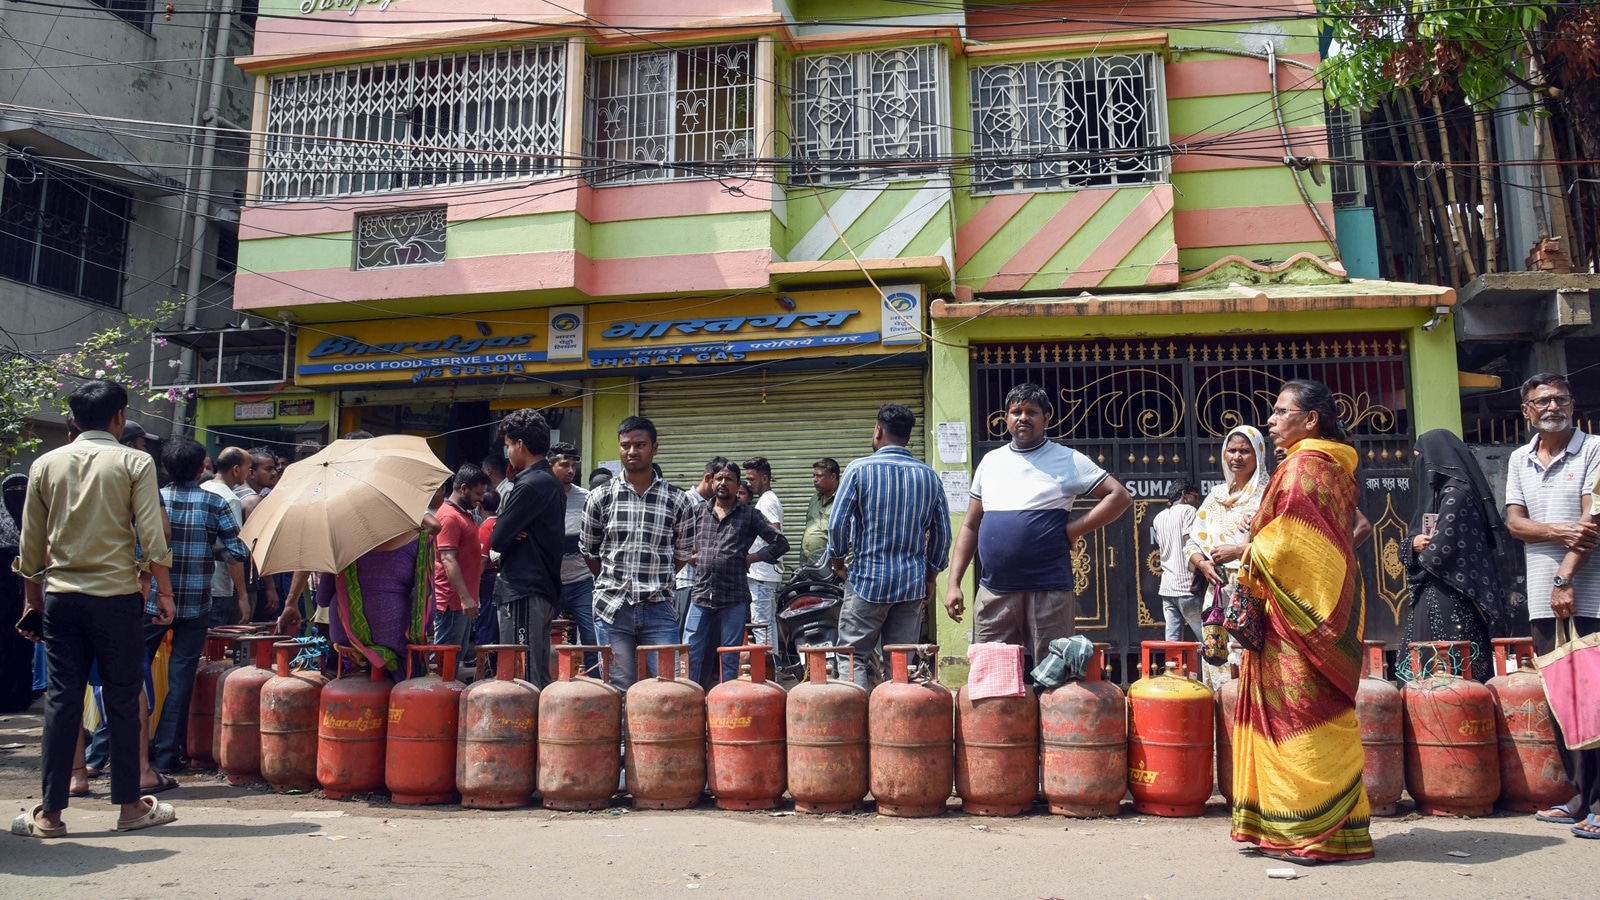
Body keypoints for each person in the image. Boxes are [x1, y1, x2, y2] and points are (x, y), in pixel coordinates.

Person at [12, 379, 178, 837]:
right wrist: (164, 593)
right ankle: (129, 807)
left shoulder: (45, 463)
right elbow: (152, 535)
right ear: (119, 417)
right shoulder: (134, 461)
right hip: (117, 597)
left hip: (61, 596)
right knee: (123, 697)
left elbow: (31, 543)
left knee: (62, 699)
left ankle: (50, 815)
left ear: (73, 420)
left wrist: (32, 600)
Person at [1230, 378, 1372, 863]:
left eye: (1280, 411)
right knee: (1320, 710)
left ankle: (1308, 835)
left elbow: (1288, 543)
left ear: (1310, 420)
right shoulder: (1334, 467)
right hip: (1328, 603)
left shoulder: (1302, 467)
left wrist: (1246, 551)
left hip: (1298, 615)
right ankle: (1319, 828)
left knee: (1298, 713)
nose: (1271, 420)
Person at [945, 384, 1131, 668]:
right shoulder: (990, 462)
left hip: (1049, 590)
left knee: (1054, 673)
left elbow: (1119, 496)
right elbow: (970, 525)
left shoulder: (1067, 459)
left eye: (1031, 412)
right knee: (992, 673)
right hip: (995, 591)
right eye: (1016, 412)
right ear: (1006, 418)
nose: (1023, 417)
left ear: (1047, 418)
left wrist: (1074, 529)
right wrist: (953, 584)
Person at [1506, 372, 1600, 836]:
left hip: (1587, 595)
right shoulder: (1519, 459)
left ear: (1572, 404)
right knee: (1565, 699)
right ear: (1527, 411)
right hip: (1545, 601)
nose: (1551, 407)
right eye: (1541, 401)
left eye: (1559, 399)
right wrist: (1556, 530)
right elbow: (1515, 524)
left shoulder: (1594, 449)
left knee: (1596, 699)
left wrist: (1565, 577)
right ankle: (1581, 796)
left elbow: (1592, 522)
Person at [144, 437, 248, 774]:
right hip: (195, 604)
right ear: (201, 467)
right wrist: (209, 549)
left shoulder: (151, 500)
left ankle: (112, 752)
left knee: (132, 676)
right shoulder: (214, 502)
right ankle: (166, 756)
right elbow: (238, 551)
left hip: (152, 602)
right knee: (180, 681)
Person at [829, 404, 950, 689]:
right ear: (907, 436)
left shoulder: (858, 470)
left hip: (866, 581)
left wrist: (837, 561)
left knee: (852, 656)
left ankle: (856, 715)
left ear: (878, 431)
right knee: (900, 663)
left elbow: (837, 525)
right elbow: (943, 534)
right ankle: (896, 718)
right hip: (911, 585)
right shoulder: (929, 476)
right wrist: (931, 577)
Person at [579, 416, 694, 690]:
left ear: (655, 448)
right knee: (618, 687)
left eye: (640, 445)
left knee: (668, 685)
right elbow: (588, 550)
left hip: (659, 607)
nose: (632, 451)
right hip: (612, 608)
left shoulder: (677, 500)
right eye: (625, 445)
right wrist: (613, 579)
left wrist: (656, 578)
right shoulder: (600, 497)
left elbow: (682, 553)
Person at [1398, 429, 1510, 683]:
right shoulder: (1441, 495)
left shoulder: (1457, 494)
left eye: (1419, 458)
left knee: (1452, 670)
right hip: (1439, 589)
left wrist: (1410, 552)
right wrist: (1411, 545)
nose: (1418, 466)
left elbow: (1439, 552)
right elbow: (1421, 542)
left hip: (1454, 592)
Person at [684, 460, 789, 689]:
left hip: (734, 597)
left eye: (729, 479)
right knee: (691, 652)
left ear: (738, 484)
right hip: (701, 594)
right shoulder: (698, 511)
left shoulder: (749, 515)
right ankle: (692, 700)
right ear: (712, 482)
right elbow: (680, 540)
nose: (723, 483)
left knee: (730, 658)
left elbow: (780, 543)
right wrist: (690, 557)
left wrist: (751, 558)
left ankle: (726, 702)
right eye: (719, 478)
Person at [490, 410, 565, 688]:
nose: (508, 452)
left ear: (520, 444)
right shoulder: (550, 481)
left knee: (522, 676)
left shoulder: (530, 484)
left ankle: (528, 718)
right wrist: (512, 531)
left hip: (523, 589)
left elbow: (497, 539)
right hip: (541, 589)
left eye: (508, 445)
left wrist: (510, 532)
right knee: (537, 672)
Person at [1186, 425, 1269, 591]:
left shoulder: (1268, 495)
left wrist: (1237, 552)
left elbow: (1279, 546)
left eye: (1245, 451)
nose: (1237, 457)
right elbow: (1193, 540)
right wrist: (1201, 564)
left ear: (1258, 455)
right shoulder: (1216, 496)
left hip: (1256, 589)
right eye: (1232, 450)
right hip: (1218, 591)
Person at [431, 463, 489, 654]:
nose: (481, 499)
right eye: (478, 494)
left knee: (455, 655)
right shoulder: (449, 517)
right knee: (445, 658)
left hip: (461, 602)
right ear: (463, 488)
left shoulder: (464, 515)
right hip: (452, 601)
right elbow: (448, 559)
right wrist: (465, 598)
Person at [548, 443, 599, 659]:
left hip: (582, 582)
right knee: (540, 637)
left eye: (573, 465)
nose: (570, 470)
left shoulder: (587, 497)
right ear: (550, 465)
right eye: (564, 465)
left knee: (591, 637)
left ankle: (595, 678)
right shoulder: (539, 496)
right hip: (549, 583)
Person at [673, 458, 723, 637]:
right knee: (685, 639)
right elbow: (675, 540)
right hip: (688, 582)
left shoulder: (716, 504)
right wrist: (697, 556)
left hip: (710, 586)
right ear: (709, 478)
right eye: (719, 480)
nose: (723, 486)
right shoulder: (686, 501)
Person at [204, 447, 254, 626]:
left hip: (201, 583)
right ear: (236, 469)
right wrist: (243, 596)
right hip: (220, 587)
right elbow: (235, 552)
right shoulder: (229, 499)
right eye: (248, 468)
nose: (249, 474)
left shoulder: (202, 489)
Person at [741, 458, 784, 647]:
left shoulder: (767, 501)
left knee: (760, 624)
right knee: (766, 624)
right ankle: (771, 662)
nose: (749, 484)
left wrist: (751, 558)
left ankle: (765, 663)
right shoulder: (766, 500)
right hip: (764, 574)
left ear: (764, 478)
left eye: (752, 479)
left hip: (762, 575)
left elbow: (775, 536)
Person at [1153, 481, 1201, 641]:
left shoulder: (1158, 518)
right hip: (1187, 587)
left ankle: (1171, 660)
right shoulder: (1188, 511)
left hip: (1167, 588)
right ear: (1184, 495)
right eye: (1194, 496)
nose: (1197, 501)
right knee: (1206, 637)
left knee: (1172, 642)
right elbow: (1189, 543)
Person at [1, 473, 33, 714]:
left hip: (30, 591)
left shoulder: (38, 516)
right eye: (13, 489)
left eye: (23, 487)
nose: (19, 492)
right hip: (4, 592)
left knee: (25, 643)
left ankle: (22, 696)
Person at [243, 447, 282, 621]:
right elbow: (257, 546)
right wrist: (270, 587)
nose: (274, 473)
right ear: (251, 473)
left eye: (274, 469)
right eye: (268, 469)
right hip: (251, 580)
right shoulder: (254, 500)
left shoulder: (240, 493)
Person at [801, 458, 841, 568]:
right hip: (808, 564)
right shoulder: (814, 499)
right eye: (814, 476)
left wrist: (842, 567)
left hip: (830, 567)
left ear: (833, 477)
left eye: (819, 476)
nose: (815, 480)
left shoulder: (843, 500)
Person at [474, 489, 501, 648]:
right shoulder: (501, 523)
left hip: (487, 579)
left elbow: (483, 560)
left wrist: (474, 581)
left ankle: (485, 654)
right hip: (499, 576)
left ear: (480, 507)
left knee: (485, 617)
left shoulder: (485, 527)